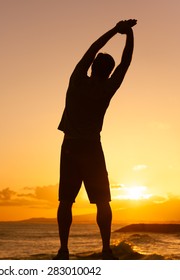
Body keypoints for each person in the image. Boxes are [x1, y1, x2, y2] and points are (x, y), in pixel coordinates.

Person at [54, 19, 136, 260]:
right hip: (90, 148)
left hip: (72, 147)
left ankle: (64, 250)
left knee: (67, 201)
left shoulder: (78, 79)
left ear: (93, 67)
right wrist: (129, 33)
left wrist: (115, 30)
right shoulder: (106, 88)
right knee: (100, 201)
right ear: (107, 72)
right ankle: (106, 250)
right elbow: (126, 62)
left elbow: (92, 49)